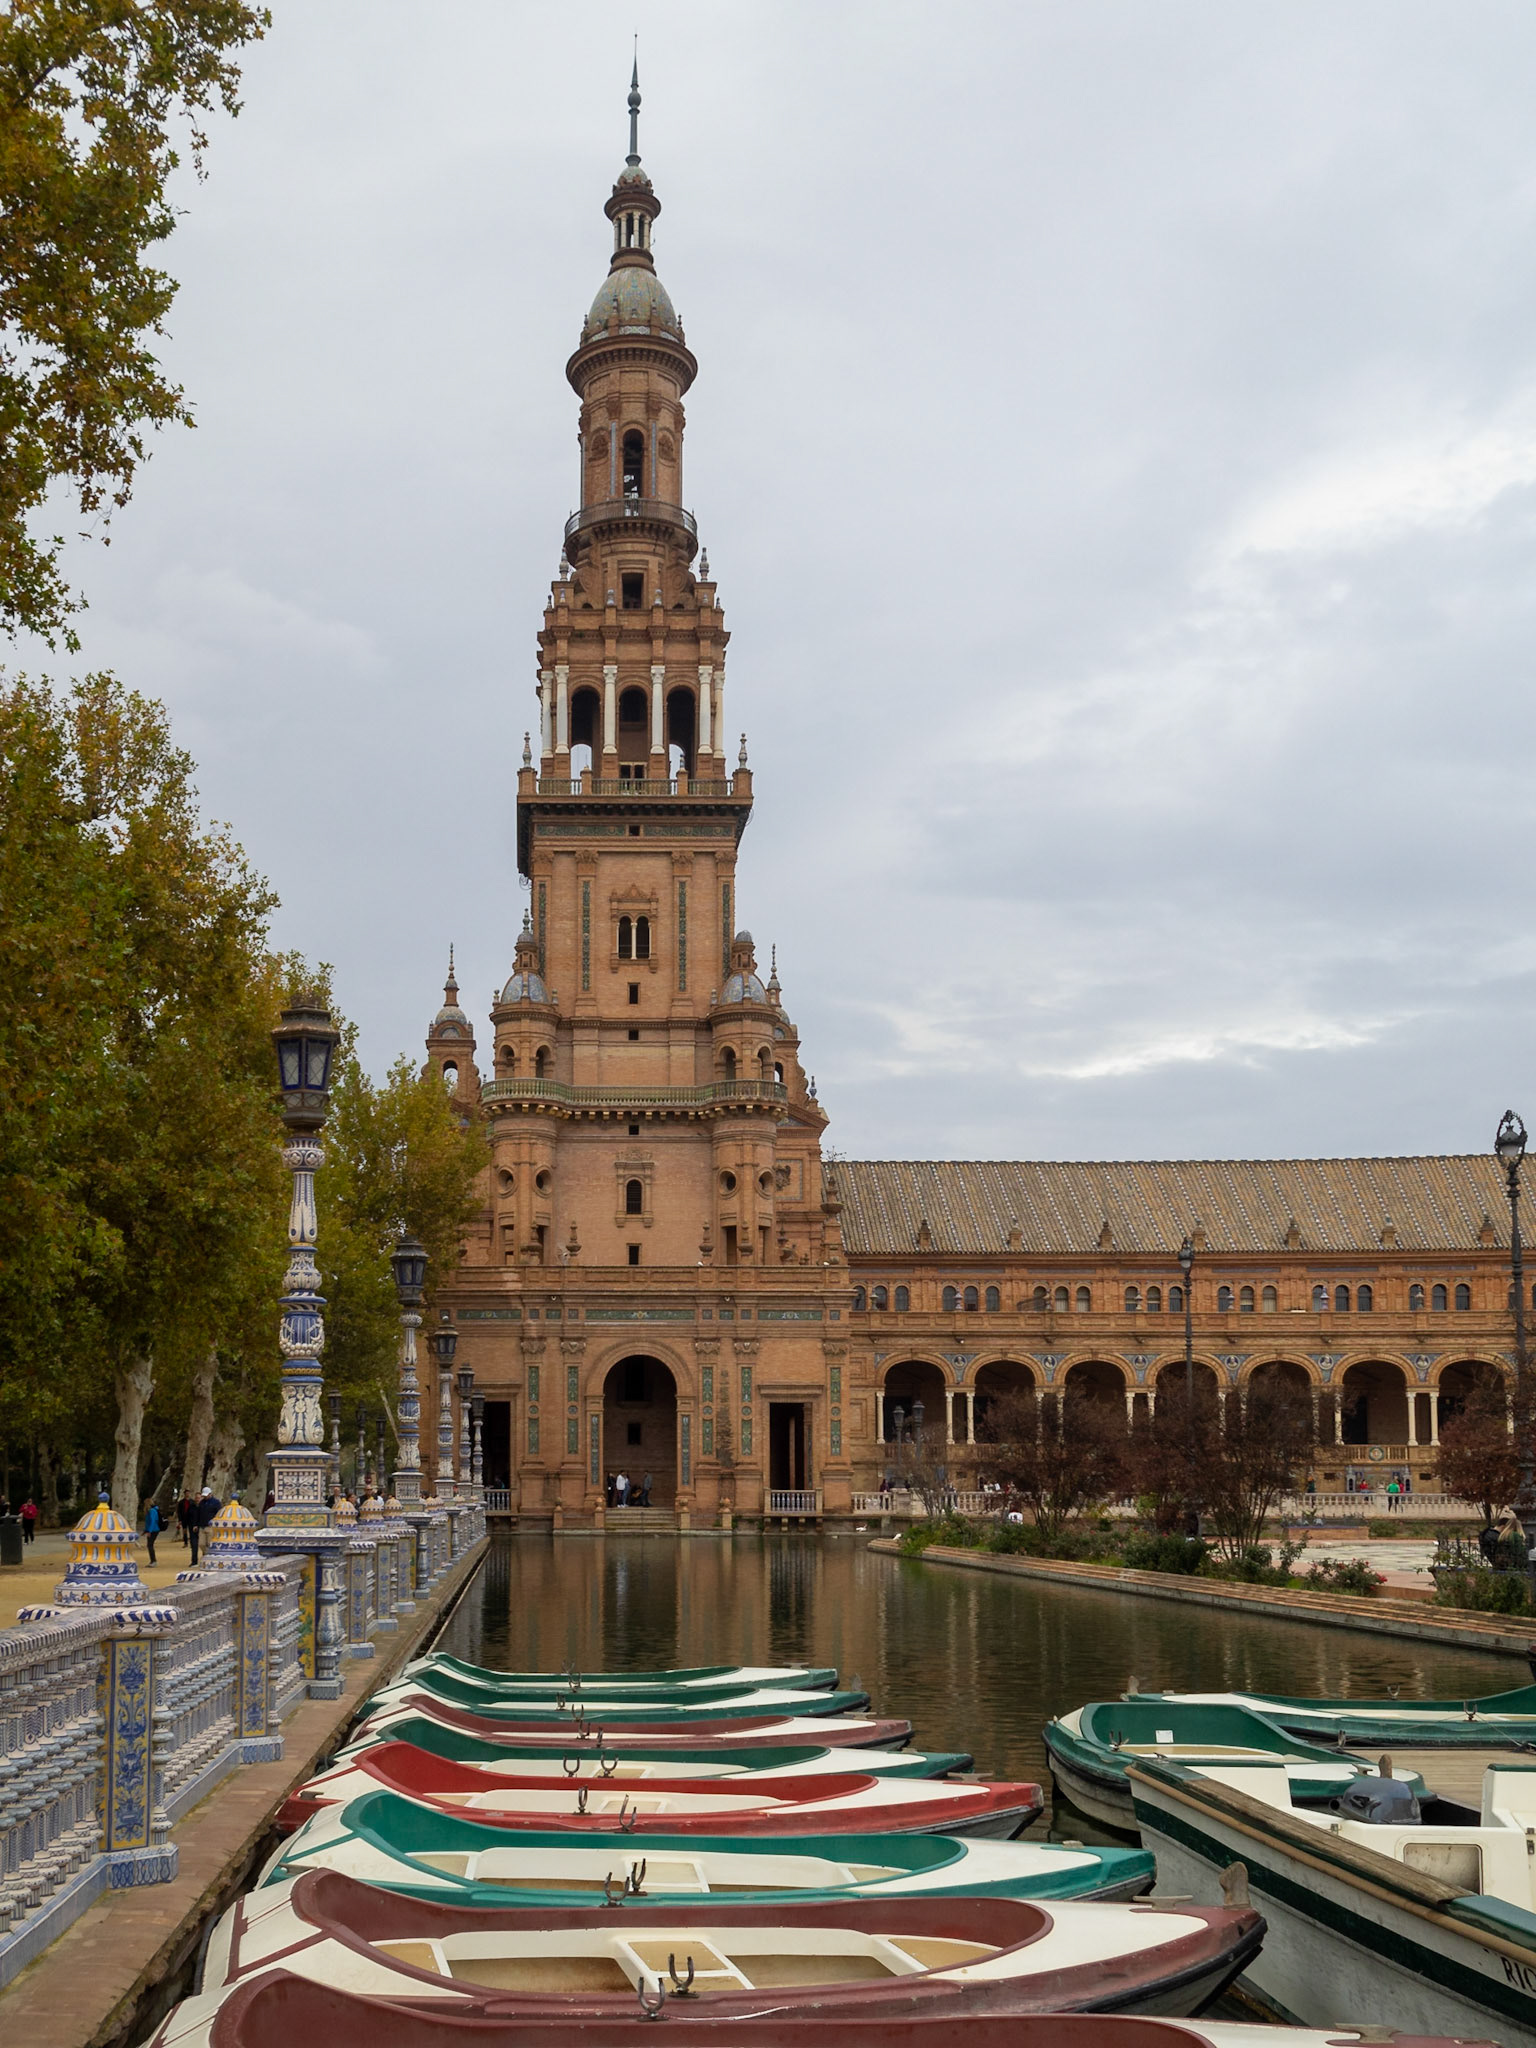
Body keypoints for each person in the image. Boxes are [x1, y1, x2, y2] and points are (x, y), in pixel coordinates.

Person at [143, 1496, 162, 1565]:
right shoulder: (150, 1511)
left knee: (150, 1545)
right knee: (149, 1545)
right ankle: (152, 1560)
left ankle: (153, 1560)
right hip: (152, 1529)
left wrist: (149, 1531)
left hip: (154, 1529)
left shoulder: (152, 1511)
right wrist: (145, 1530)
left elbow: (152, 1521)